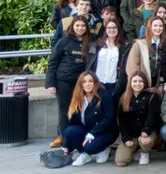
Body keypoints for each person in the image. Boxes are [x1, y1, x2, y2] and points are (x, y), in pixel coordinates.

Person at [46, 15, 95, 148]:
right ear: (72, 27)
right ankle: (65, 141)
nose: (80, 28)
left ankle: (78, 140)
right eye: (77, 25)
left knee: (80, 111)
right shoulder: (64, 41)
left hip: (82, 83)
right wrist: (50, 83)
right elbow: (53, 61)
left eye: (83, 26)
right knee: (64, 111)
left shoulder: (91, 42)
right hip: (63, 81)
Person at [62, 71, 118, 166]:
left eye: (90, 81)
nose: (87, 84)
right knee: (69, 131)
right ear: (80, 84)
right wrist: (66, 144)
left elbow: (109, 118)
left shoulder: (105, 95)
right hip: (87, 129)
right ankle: (85, 153)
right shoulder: (78, 97)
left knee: (90, 146)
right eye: (84, 82)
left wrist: (92, 134)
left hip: (104, 131)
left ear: (95, 82)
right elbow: (74, 123)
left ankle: (103, 149)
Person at [115, 71, 161, 167]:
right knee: (120, 162)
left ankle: (144, 152)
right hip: (132, 134)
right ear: (130, 83)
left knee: (145, 142)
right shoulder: (124, 98)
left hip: (147, 133)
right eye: (135, 81)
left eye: (140, 81)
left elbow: (152, 116)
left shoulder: (151, 96)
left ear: (144, 83)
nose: (137, 84)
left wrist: (146, 131)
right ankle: (135, 150)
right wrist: (126, 138)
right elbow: (122, 121)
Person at [125, 15, 166, 91]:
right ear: (150, 27)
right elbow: (132, 67)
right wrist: (137, 83)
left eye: (160, 26)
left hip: (159, 86)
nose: (158, 28)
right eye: (155, 26)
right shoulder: (139, 44)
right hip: (142, 85)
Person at [88, 19, 127, 100]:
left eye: (114, 27)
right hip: (98, 82)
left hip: (114, 83)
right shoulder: (97, 44)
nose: (112, 30)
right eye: (109, 28)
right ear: (105, 29)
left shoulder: (124, 47)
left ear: (118, 29)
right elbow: (90, 62)